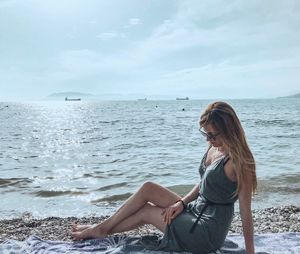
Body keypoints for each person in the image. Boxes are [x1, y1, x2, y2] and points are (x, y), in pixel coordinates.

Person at [72, 101, 257, 254]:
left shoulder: (240, 162)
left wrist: (250, 253)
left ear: (228, 130)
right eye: (205, 134)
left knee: (147, 211)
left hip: (206, 232)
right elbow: (205, 183)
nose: (208, 140)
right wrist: (181, 203)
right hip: (195, 210)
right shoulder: (215, 146)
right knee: (148, 188)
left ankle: (101, 229)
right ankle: (101, 227)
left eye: (211, 135)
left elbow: (245, 212)